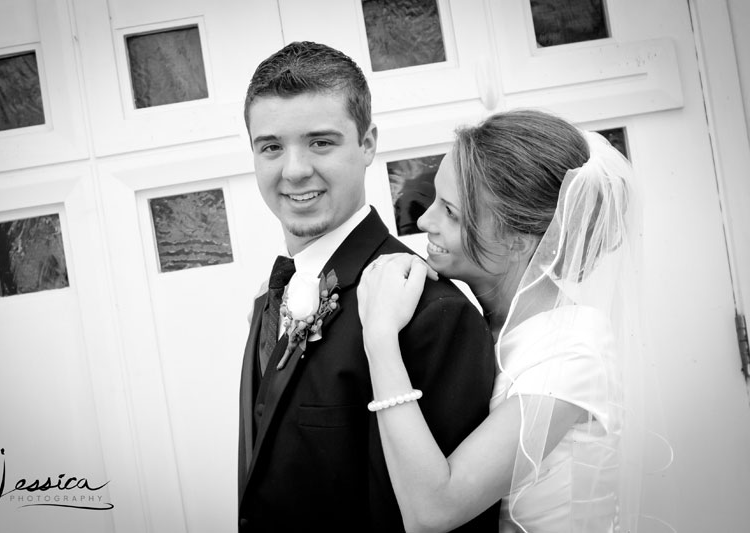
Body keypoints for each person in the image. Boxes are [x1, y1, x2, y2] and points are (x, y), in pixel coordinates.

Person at [237, 41, 500, 532]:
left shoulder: (431, 310)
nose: (293, 169)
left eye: (321, 142)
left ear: (368, 144)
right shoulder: (271, 296)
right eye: (271, 146)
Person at [359, 109, 645, 532]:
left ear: (517, 241)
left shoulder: (572, 353)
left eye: (451, 213)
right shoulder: (471, 323)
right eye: (434, 199)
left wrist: (379, 337)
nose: (423, 222)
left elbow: (433, 511)